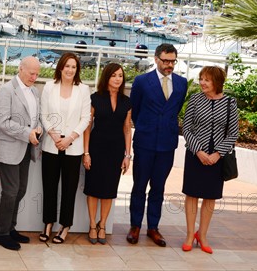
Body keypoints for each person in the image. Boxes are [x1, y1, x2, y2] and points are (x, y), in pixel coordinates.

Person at [127, 43, 188, 247]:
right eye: (166, 61)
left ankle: (153, 227)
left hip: (167, 144)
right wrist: (146, 127)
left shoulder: (182, 83)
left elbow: (175, 110)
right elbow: (134, 110)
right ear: (156, 59)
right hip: (145, 142)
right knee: (139, 186)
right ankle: (135, 225)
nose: (169, 65)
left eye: (172, 61)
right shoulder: (142, 81)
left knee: (158, 188)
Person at [181, 66, 239, 254]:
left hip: (217, 159)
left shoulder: (230, 103)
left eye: (207, 79)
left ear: (217, 82)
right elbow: (186, 127)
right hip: (195, 155)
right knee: (192, 194)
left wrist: (217, 154)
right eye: (201, 79)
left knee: (210, 197)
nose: (202, 83)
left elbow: (233, 133)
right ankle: (190, 235)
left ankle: (202, 235)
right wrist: (198, 150)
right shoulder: (195, 99)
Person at [40, 53, 91, 244]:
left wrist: (69, 138)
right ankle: (47, 224)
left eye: (74, 67)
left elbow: (86, 118)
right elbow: (43, 114)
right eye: (67, 66)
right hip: (51, 145)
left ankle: (65, 226)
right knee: (49, 187)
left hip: (73, 146)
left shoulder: (83, 90)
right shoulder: (49, 87)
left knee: (69, 189)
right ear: (60, 67)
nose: (70, 70)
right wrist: (53, 135)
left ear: (77, 70)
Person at [0, 56, 43, 251]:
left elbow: (36, 118)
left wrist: (37, 129)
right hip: (9, 149)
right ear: (21, 69)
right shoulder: (6, 91)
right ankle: (1, 233)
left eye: (37, 74)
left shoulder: (35, 92)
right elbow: (3, 122)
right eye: (32, 73)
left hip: (27, 148)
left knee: (20, 190)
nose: (34, 76)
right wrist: (27, 133)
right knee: (11, 192)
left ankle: (10, 228)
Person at [83, 63, 132, 245]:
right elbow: (87, 127)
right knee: (93, 189)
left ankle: (102, 225)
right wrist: (86, 152)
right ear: (106, 77)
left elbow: (127, 129)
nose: (117, 79)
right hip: (96, 148)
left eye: (120, 75)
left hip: (116, 151)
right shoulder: (95, 98)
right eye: (113, 75)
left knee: (109, 190)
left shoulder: (127, 101)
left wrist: (128, 155)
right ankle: (91, 225)